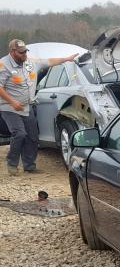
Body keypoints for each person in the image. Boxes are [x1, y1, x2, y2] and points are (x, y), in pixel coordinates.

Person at [0, 39, 78, 175]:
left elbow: (49, 61)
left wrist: (67, 59)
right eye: (21, 52)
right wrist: (12, 102)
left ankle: (29, 166)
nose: (24, 54)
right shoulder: (4, 65)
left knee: (33, 136)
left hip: (26, 106)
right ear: (12, 52)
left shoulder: (30, 62)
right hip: (9, 107)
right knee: (19, 133)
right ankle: (12, 164)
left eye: (25, 51)